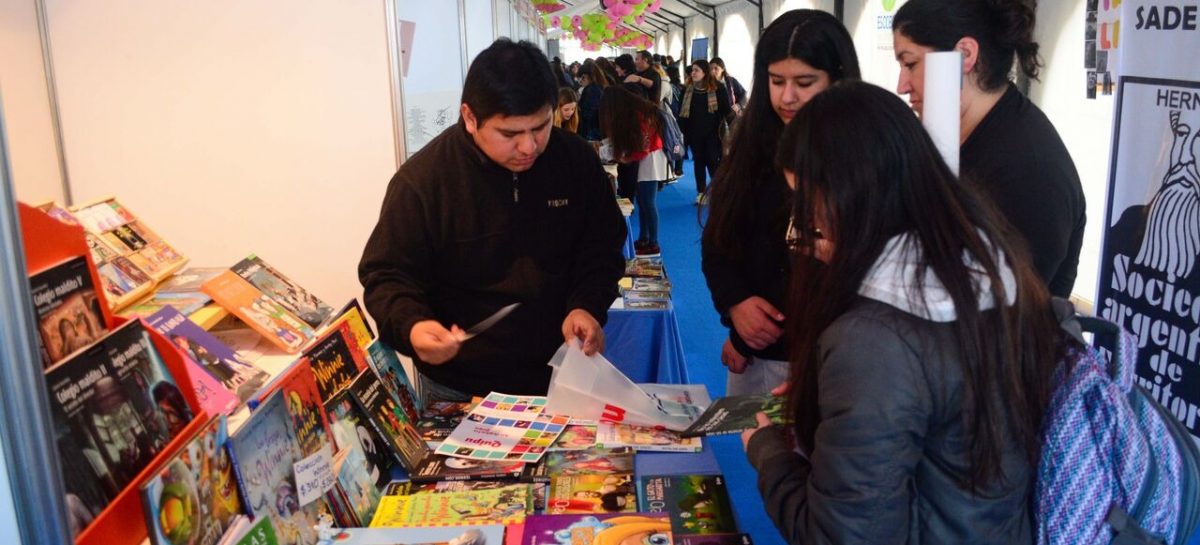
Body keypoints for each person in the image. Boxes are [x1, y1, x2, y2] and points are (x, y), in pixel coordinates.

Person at [741, 81, 1064, 544]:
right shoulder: (987, 265)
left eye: (808, 204)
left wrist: (770, 454)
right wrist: (839, 399)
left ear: (853, 197)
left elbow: (844, 535)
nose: (806, 227)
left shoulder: (873, 342)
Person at [358, 39, 626, 401]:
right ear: (470, 117)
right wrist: (413, 326)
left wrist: (586, 305)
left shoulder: (574, 160)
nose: (529, 147)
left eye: (541, 127)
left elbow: (603, 246)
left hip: (563, 374)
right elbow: (386, 276)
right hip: (458, 388)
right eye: (510, 134)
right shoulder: (424, 181)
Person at [702, 9, 861, 396]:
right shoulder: (750, 146)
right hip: (758, 351)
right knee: (761, 448)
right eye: (776, 81)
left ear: (838, 80)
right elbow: (719, 239)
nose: (787, 97)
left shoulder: (863, 156)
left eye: (804, 82)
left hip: (836, 358)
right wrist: (735, 306)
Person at [893, 0, 1086, 297]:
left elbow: (1005, 306)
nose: (902, 85)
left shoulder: (1029, 169)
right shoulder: (951, 137)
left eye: (910, 64)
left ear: (965, 54)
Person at [600, 86, 669, 257]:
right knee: (643, 202)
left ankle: (654, 242)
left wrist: (626, 159)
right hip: (645, 159)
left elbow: (643, 146)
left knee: (648, 202)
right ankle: (644, 238)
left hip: (650, 159)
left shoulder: (640, 115)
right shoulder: (638, 111)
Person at [678, 59, 731, 205]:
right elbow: (681, 114)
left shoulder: (718, 88)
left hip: (713, 134)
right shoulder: (687, 89)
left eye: (696, 70)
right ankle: (701, 193)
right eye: (692, 70)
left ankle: (717, 191)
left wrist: (733, 130)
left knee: (713, 162)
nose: (693, 73)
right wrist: (681, 133)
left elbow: (727, 111)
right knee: (698, 162)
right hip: (694, 134)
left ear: (705, 72)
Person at [577, 60, 609, 143]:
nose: (580, 81)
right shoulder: (601, 87)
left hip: (591, 133)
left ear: (585, 76)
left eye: (581, 77)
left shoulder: (591, 90)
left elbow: (588, 114)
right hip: (599, 131)